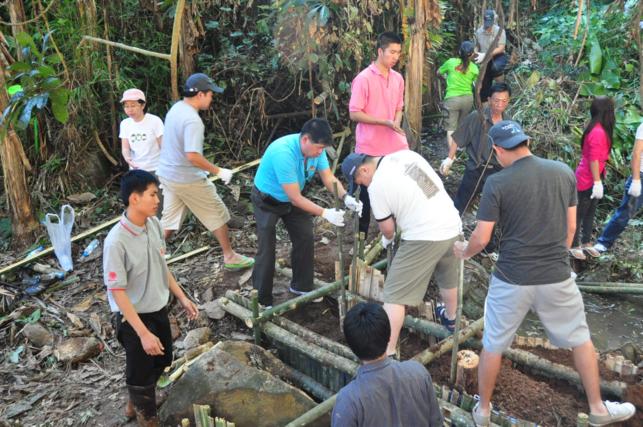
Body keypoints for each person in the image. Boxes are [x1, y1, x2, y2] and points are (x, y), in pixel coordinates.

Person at [453, 121, 635, 427]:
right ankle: (597, 409)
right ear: (526, 142)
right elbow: (572, 228)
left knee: (494, 344)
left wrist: (464, 251)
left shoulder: (497, 183)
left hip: (511, 277)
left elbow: (482, 239)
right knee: (580, 340)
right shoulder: (562, 172)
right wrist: (555, 257)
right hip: (556, 276)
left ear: (497, 150)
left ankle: (482, 412)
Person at [342, 149, 462, 357]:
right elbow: (428, 189)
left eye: (359, 180)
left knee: (394, 294)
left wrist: (387, 239)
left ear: (364, 169)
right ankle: (451, 319)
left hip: (424, 235)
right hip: (452, 224)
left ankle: (386, 353)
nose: (361, 184)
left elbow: (387, 229)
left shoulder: (377, 186)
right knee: (448, 277)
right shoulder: (406, 156)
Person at [103, 170, 199, 426]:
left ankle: (133, 404)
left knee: (162, 360)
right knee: (141, 373)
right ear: (134, 199)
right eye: (153, 194)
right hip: (132, 316)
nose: (158, 199)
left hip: (157, 308)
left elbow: (162, 266)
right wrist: (143, 333)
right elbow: (117, 291)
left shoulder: (154, 224)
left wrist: (181, 297)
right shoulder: (116, 242)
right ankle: (147, 417)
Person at [252, 118, 361, 307]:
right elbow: (295, 198)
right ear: (305, 140)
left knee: (305, 236)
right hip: (267, 200)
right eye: (318, 148)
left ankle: (301, 286)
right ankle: (262, 299)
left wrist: (345, 197)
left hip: (293, 198)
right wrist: (325, 213)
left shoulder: (317, 151)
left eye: (323, 149)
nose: (320, 152)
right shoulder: (283, 153)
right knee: (267, 248)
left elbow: (328, 177)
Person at [157, 73, 254, 270]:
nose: (212, 98)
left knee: (170, 219)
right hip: (187, 178)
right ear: (200, 95)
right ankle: (230, 256)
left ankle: (151, 253)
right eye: (210, 94)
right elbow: (192, 156)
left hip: (168, 174)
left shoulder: (176, 109)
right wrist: (218, 171)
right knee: (216, 212)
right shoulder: (193, 121)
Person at [331, 302, 443, 427]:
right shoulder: (418, 372)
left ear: (352, 346)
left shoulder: (349, 400)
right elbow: (436, 422)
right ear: (389, 336)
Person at [349, 32, 409, 235]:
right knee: (366, 195)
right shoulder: (363, 79)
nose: (395, 57)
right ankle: (361, 237)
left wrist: (396, 122)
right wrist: (384, 122)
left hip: (395, 145)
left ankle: (397, 233)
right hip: (370, 147)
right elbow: (354, 113)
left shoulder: (398, 78)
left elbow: (399, 106)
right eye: (392, 52)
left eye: (398, 53)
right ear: (379, 51)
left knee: (398, 189)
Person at [570, 96, 615, 260]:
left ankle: (586, 242)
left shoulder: (601, 129)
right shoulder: (597, 132)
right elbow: (593, 159)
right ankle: (573, 245)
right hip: (586, 179)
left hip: (595, 177)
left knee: (590, 212)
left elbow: (599, 157)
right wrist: (597, 182)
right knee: (580, 213)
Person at [594, 122, 643, 253]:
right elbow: (636, 154)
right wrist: (636, 179)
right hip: (641, 176)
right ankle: (603, 243)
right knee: (626, 212)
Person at [119, 88, 164, 217]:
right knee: (140, 204)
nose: (130, 109)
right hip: (136, 171)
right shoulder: (125, 124)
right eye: (126, 106)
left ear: (143, 105)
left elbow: (163, 145)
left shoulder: (154, 121)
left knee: (157, 205)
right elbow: (125, 147)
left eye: (133, 105)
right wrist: (128, 159)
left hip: (156, 169)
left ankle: (160, 234)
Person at [438, 41, 479, 151]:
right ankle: (460, 148)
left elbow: (439, 72)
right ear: (471, 54)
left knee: (450, 128)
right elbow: (477, 83)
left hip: (452, 99)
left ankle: (452, 156)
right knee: (461, 124)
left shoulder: (451, 62)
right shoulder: (474, 68)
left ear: (459, 52)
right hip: (468, 100)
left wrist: (446, 77)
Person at [474, 9, 508, 103]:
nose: (488, 26)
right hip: (484, 59)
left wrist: (486, 54)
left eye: (490, 23)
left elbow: (501, 47)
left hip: (498, 56)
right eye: (486, 23)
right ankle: (485, 104)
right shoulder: (479, 32)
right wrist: (476, 53)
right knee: (484, 84)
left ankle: (502, 88)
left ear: (493, 21)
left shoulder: (500, 31)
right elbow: (477, 46)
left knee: (495, 68)